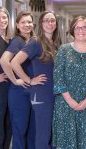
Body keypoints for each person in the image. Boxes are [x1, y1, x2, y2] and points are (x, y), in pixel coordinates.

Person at [11, 11, 61, 149]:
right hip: (41, 95)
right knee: (43, 136)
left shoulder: (55, 43)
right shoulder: (36, 41)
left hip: (53, 94)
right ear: (40, 23)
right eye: (46, 20)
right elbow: (14, 62)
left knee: (50, 135)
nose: (50, 23)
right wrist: (29, 80)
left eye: (52, 20)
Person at [53, 15, 86, 149]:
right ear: (72, 30)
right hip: (66, 104)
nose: (81, 30)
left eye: (84, 27)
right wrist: (70, 101)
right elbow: (58, 77)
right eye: (77, 27)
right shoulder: (63, 50)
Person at [0, 11, 37, 149]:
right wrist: (16, 80)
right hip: (18, 92)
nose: (27, 25)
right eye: (23, 22)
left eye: (29, 22)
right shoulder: (17, 41)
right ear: (17, 25)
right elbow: (4, 61)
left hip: (31, 92)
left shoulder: (32, 41)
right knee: (20, 131)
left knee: (31, 131)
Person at [0, 7, 12, 149]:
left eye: (4, 17)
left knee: (9, 128)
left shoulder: (10, 40)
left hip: (10, 91)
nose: (2, 21)